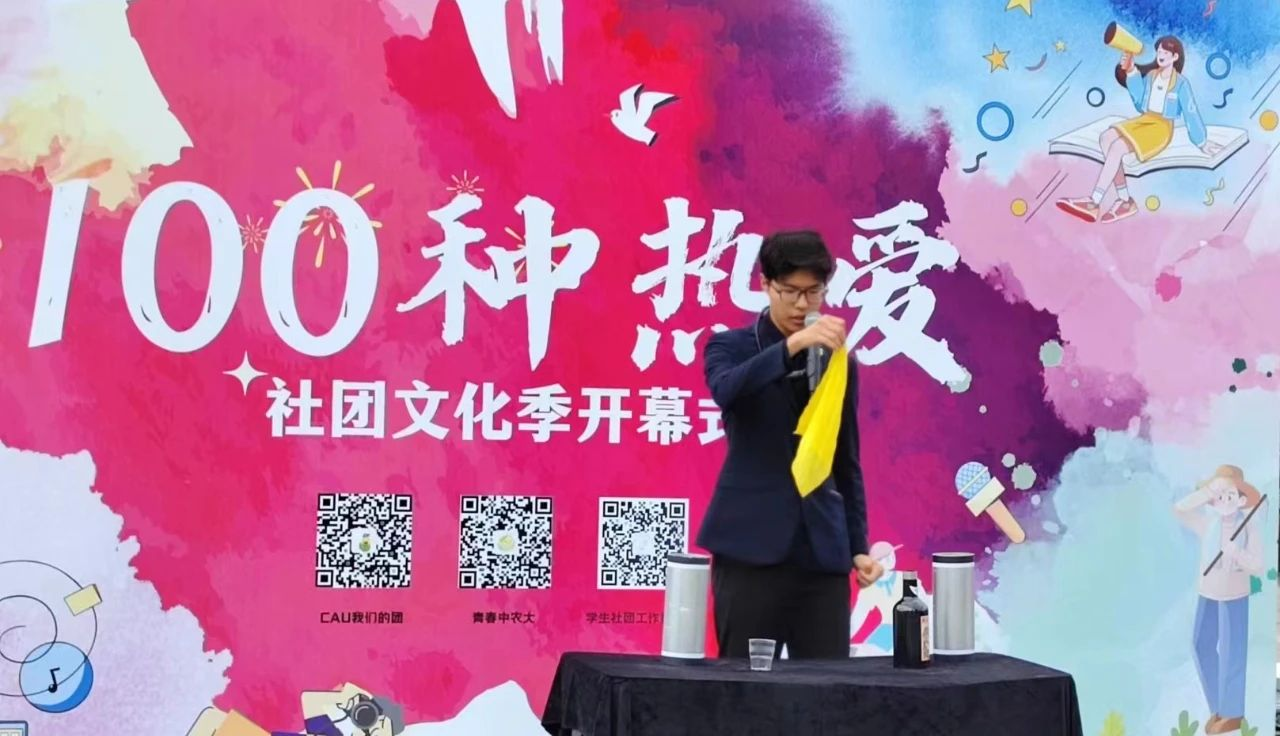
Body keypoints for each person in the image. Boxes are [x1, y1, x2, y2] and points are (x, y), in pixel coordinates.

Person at [697, 230, 884, 660]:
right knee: (743, 686)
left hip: (821, 553)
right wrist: (792, 346)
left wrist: (858, 547)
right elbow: (727, 390)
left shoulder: (838, 360)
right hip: (750, 548)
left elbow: (845, 460)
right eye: (792, 292)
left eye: (814, 292)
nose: (803, 305)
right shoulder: (730, 346)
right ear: (766, 284)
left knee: (828, 688)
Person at [1057, 35, 1221, 224]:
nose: (1160, 55)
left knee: (1117, 147)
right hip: (1144, 120)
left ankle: (1094, 201)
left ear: (1175, 57)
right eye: (1159, 51)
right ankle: (1125, 200)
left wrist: (1202, 142)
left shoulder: (1181, 84)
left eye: (1165, 52)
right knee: (1106, 138)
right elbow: (1140, 103)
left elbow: (1190, 112)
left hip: (1161, 129)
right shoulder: (1152, 76)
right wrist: (1131, 70)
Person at [1173, 465, 1265, 736]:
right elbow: (1179, 510)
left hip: (1234, 595)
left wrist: (1236, 553)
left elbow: (1258, 566)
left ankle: (1232, 713)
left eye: (1230, 494)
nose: (1224, 500)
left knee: (1231, 652)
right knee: (1200, 644)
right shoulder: (1208, 524)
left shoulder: (1248, 527)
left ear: (1241, 499)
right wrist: (1207, 491)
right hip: (1208, 592)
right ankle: (1220, 706)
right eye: (1219, 495)